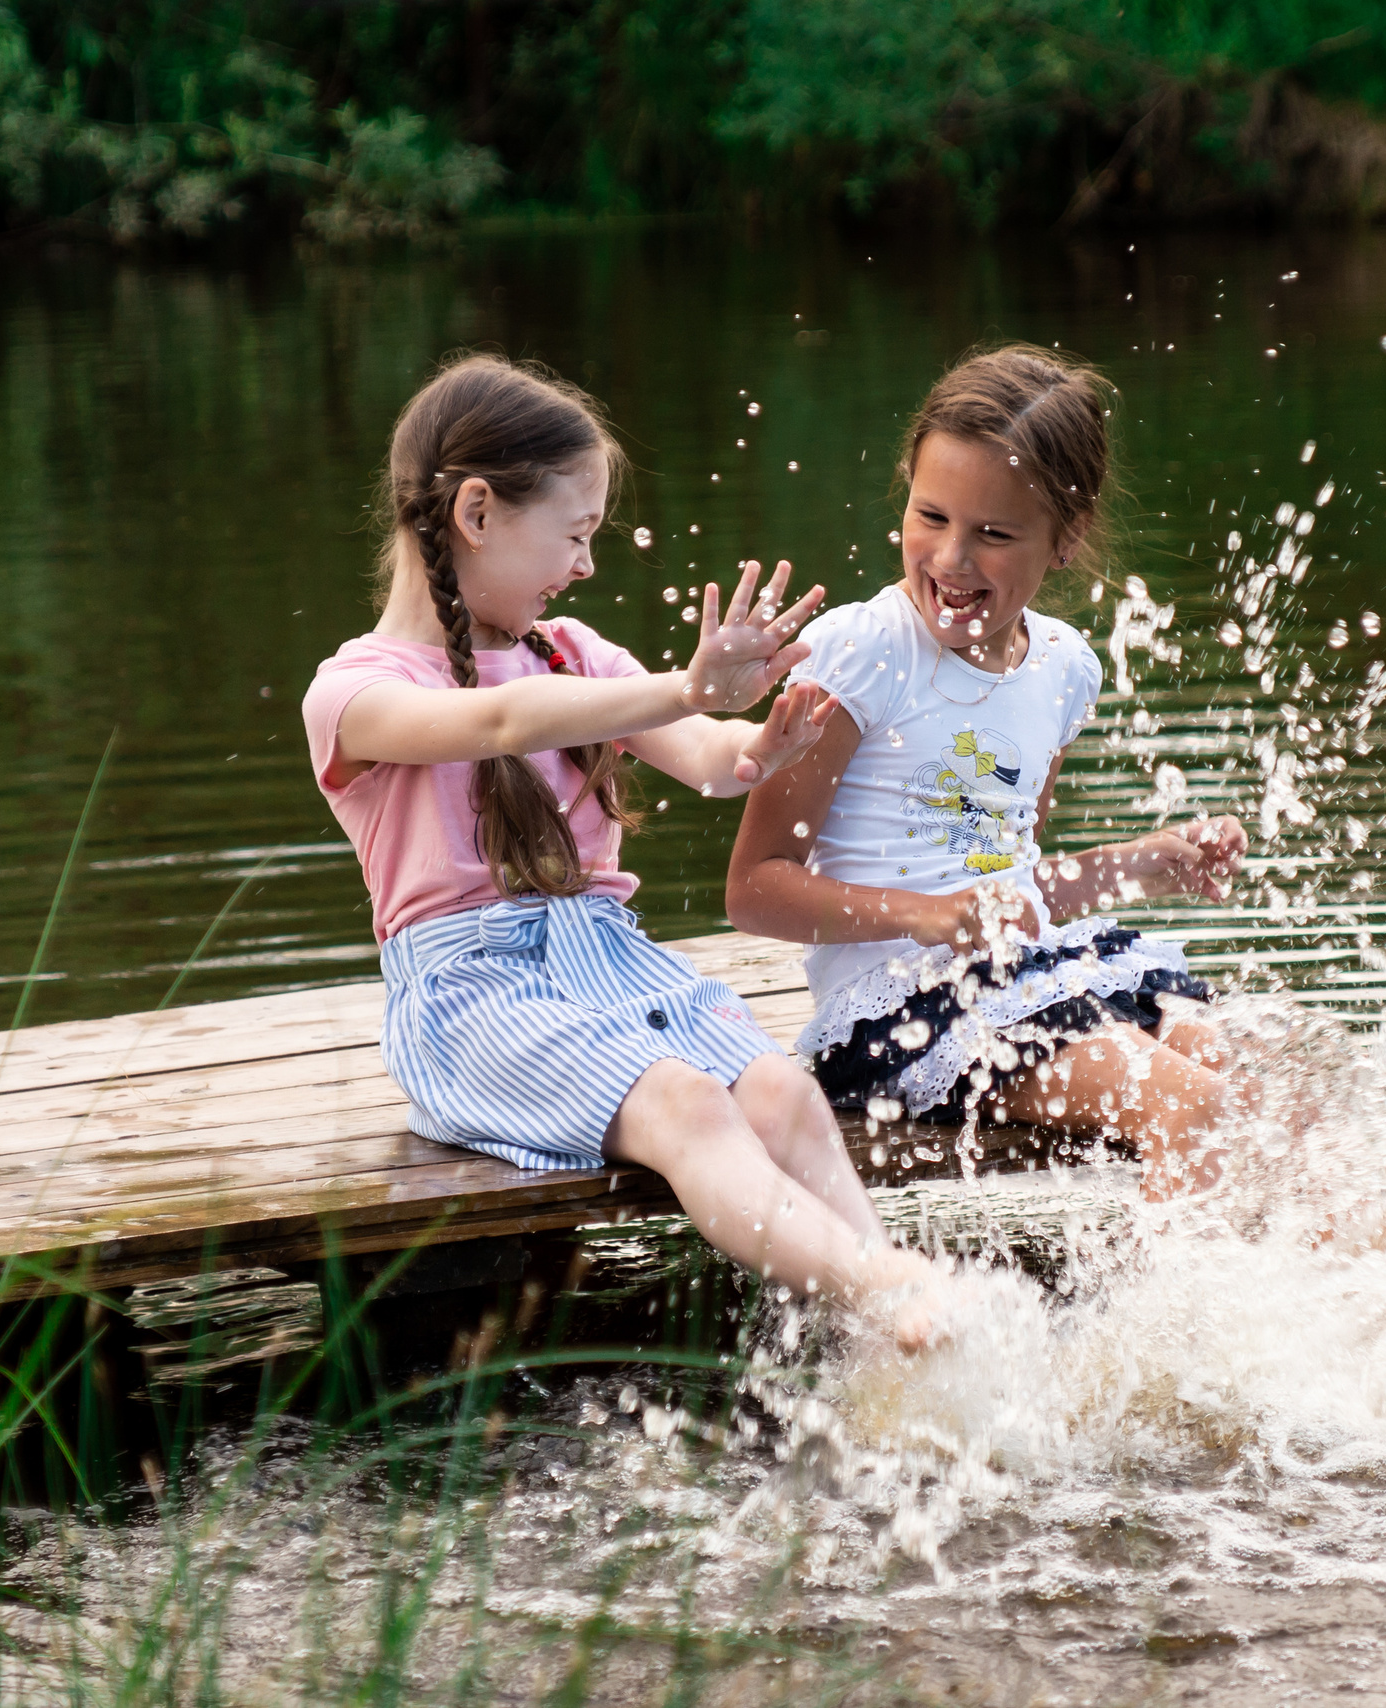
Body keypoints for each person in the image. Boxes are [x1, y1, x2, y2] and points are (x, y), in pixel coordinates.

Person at [301, 353, 950, 1342]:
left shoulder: (574, 652)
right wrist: (685, 686)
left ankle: (891, 1332)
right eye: (574, 534)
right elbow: (498, 721)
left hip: (610, 965)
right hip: (474, 1003)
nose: (585, 565)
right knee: (687, 1105)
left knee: (780, 1088)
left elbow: (705, 756)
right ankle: (878, 1285)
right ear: (477, 513)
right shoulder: (353, 694)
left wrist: (761, 742)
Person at [727, 344, 1251, 1200]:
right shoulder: (862, 652)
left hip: (1029, 977)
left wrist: (1142, 861)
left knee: (1263, 1081)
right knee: (1186, 1107)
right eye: (930, 516)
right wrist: (927, 917)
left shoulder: (1064, 668)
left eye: (994, 534)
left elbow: (1003, 884)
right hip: (898, 1015)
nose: (950, 560)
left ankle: (1316, 1321)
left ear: (1067, 538)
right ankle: (1155, 1335)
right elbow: (753, 890)